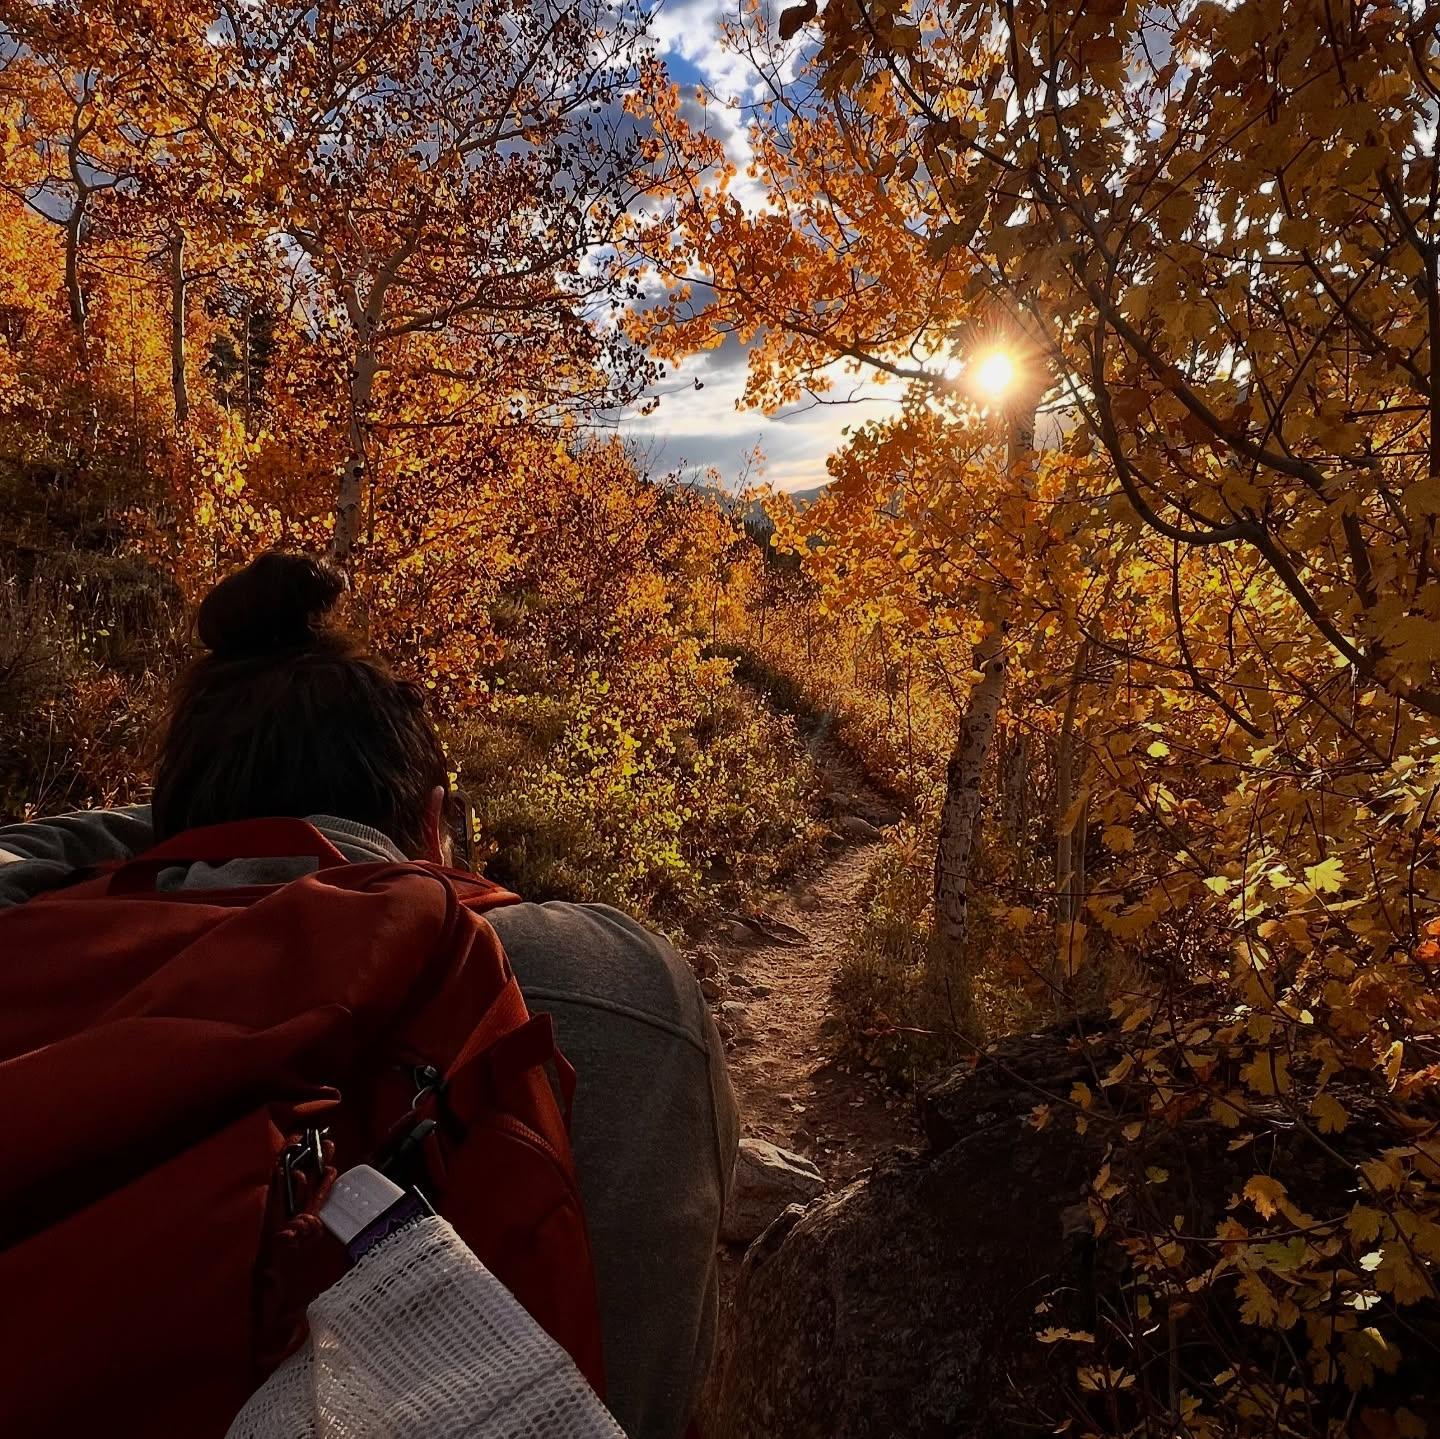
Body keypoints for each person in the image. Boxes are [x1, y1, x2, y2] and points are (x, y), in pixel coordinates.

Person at [0, 551, 738, 1439]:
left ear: (167, 826)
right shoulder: (614, 979)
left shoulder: (41, 950)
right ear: (431, 825)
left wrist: (190, 825)